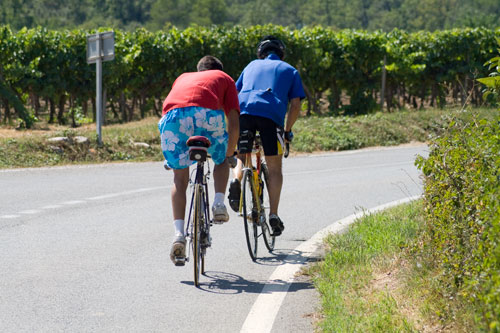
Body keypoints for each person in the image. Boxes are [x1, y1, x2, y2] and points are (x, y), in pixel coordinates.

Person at [159, 55, 240, 265]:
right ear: (218, 70)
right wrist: (229, 154)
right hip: (207, 117)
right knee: (221, 159)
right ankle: (219, 203)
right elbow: (234, 121)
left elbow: (167, 109)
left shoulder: (182, 77)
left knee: (179, 178)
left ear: (198, 69)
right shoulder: (225, 78)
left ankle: (178, 235)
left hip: (173, 119)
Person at [228, 36, 305, 236]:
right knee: (274, 168)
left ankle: (236, 179)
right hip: (271, 117)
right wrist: (287, 130)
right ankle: (274, 214)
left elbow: (235, 94)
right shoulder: (290, 70)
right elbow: (296, 105)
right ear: (281, 53)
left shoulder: (251, 65)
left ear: (260, 54)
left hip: (244, 112)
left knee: (241, 155)